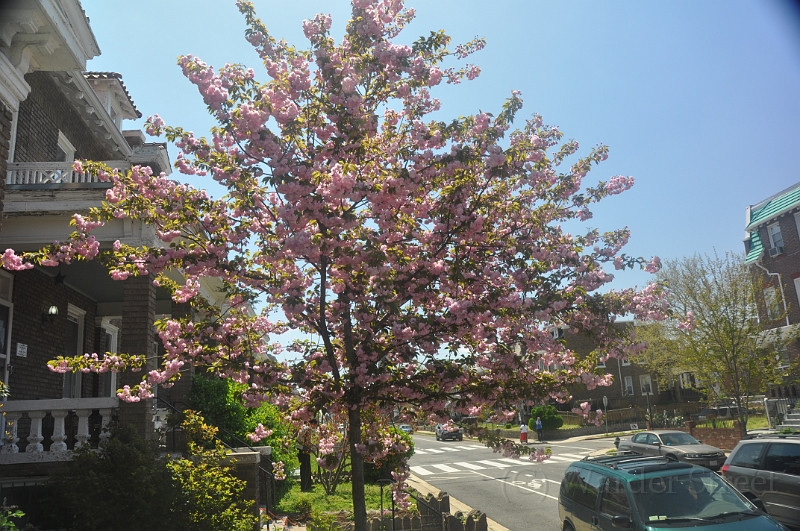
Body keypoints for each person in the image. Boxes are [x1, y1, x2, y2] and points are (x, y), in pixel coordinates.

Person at [297, 418, 318, 492]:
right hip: (303, 450)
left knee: (306, 467)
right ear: (313, 424)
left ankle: (307, 484)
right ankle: (305, 486)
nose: (315, 428)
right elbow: (307, 441)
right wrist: (313, 447)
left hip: (300, 449)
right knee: (305, 468)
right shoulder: (308, 429)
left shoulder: (304, 427)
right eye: (315, 426)